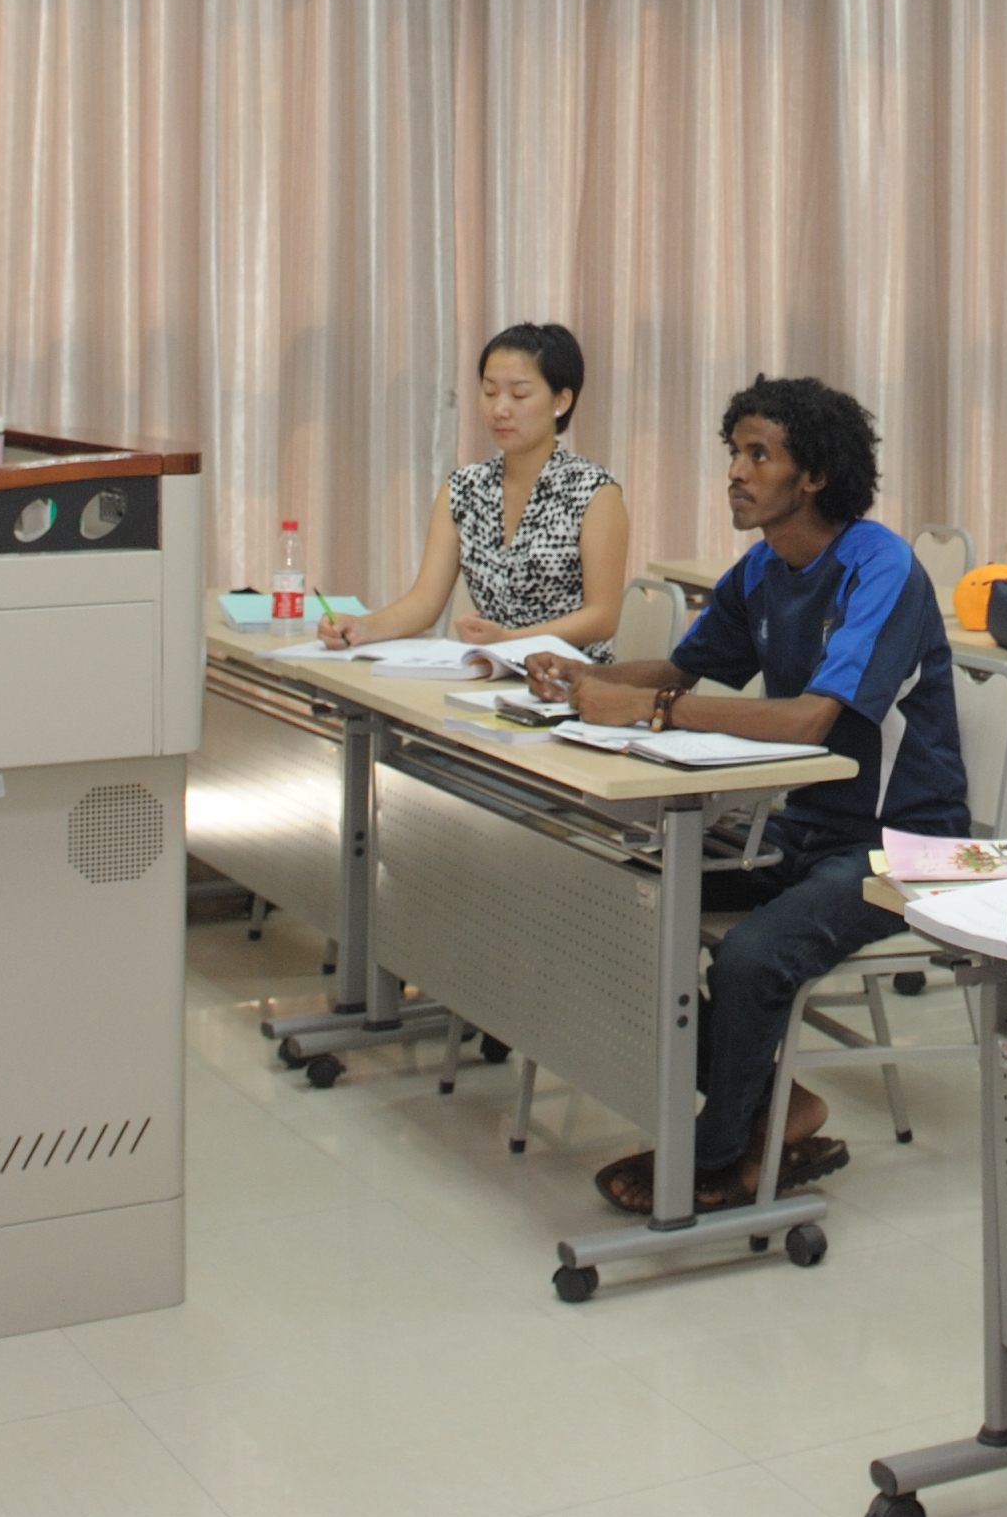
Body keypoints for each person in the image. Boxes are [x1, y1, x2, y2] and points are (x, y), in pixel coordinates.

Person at [523, 376, 962, 1219]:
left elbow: (808, 720)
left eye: (760, 456)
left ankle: (717, 1156)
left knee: (751, 958)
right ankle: (775, 1111)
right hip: (807, 828)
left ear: (815, 476)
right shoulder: (762, 567)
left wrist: (649, 709)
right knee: (618, 905)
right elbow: (682, 670)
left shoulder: (881, 567)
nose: (736, 472)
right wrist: (583, 678)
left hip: (904, 846)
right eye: (735, 452)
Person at [321, 321, 628, 649]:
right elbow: (425, 601)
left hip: (570, 672)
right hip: (488, 668)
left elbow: (602, 617)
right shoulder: (464, 489)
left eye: (519, 394)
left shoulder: (594, 492)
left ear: (561, 401)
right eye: (489, 392)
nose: (499, 409)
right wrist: (363, 627)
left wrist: (510, 640)